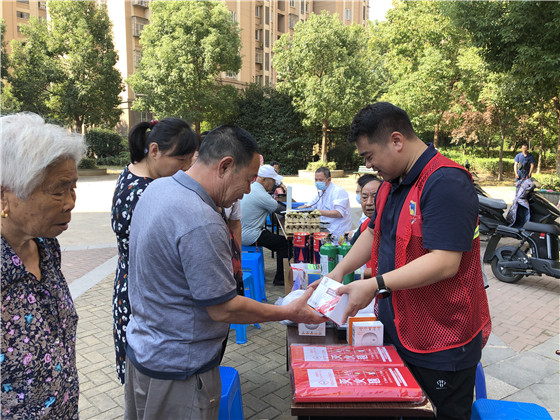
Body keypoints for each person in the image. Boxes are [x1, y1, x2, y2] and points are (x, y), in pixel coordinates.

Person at [124, 125, 323, 419]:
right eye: (248, 180)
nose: (247, 191)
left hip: (144, 353)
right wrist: (287, 312)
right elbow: (223, 308)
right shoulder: (201, 220)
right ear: (225, 166)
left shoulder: (158, 188)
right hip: (179, 371)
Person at [330, 102, 491, 420]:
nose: (369, 165)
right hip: (400, 329)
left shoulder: (445, 182)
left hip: (442, 339)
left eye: (369, 156)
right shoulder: (391, 185)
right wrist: (338, 271)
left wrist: (374, 285)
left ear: (396, 140)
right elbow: (373, 232)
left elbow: (445, 262)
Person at [1, 112, 86, 418]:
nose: (71, 202)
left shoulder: (46, 246)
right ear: (4, 196)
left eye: (73, 188)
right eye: (58, 190)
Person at [110, 118, 199, 385]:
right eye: (180, 160)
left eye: (189, 160)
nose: (185, 168)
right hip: (143, 293)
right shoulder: (147, 192)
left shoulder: (131, 174)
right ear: (154, 150)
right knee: (148, 380)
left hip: (130, 282)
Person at [240, 164, 289, 286]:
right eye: (273, 181)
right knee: (284, 243)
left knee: (276, 239)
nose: (274, 184)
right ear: (264, 179)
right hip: (250, 235)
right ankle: (280, 279)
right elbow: (282, 210)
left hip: (242, 232)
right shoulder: (260, 194)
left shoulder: (252, 188)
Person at [300, 167, 352, 241]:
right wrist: (294, 210)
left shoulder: (338, 191)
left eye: (321, 180)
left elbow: (339, 213)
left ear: (329, 179)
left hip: (337, 232)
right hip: (325, 230)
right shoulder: (321, 191)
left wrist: (317, 211)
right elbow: (309, 205)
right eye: (316, 180)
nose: (318, 182)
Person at [349, 174, 382, 246]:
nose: (369, 203)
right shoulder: (365, 225)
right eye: (364, 197)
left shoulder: (393, 226)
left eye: (374, 197)